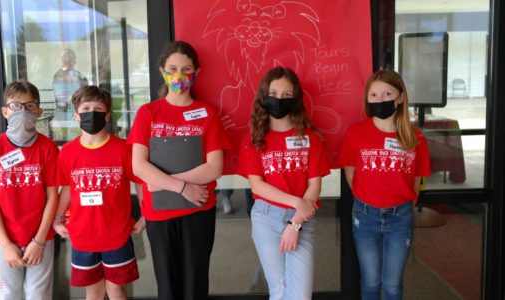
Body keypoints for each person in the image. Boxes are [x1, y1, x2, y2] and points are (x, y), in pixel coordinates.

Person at [128, 40, 230, 300]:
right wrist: (181, 187)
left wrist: (162, 181)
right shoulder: (148, 112)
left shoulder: (207, 113)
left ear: (196, 73)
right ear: (162, 71)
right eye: (172, 68)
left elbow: (215, 167)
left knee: (195, 284)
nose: (180, 75)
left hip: (198, 210)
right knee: (168, 286)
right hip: (159, 214)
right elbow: (138, 165)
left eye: (186, 69)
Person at [238, 66, 330, 299]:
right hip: (266, 217)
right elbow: (257, 186)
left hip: (302, 220)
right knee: (279, 289)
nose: (279, 100)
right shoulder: (254, 138)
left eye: (286, 96)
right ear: (264, 97)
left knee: (300, 296)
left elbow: (315, 187)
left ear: (295, 99)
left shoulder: (311, 138)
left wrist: (295, 222)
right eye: (274, 94)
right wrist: (297, 202)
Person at [339, 69, 431, 300]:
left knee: (392, 285)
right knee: (370, 281)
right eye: (374, 95)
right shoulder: (356, 133)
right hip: (365, 214)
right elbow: (350, 172)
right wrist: (366, 196)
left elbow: (418, 177)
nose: (380, 100)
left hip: (400, 217)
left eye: (387, 93)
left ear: (400, 97)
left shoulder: (415, 137)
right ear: (367, 99)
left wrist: (405, 200)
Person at [53, 86, 144, 300]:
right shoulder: (67, 152)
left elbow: (140, 181)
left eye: (97, 108)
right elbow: (66, 188)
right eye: (85, 108)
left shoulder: (123, 148)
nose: (91, 112)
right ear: (76, 115)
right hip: (83, 235)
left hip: (117, 234)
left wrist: (146, 213)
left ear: (107, 114)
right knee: (93, 292)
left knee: (116, 291)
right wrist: (57, 219)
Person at [0, 81, 58, 299]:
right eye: (15, 106)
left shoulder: (48, 149)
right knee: (8, 294)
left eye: (29, 106)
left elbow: (52, 197)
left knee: (38, 295)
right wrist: (6, 243)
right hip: (5, 239)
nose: (22, 112)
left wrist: (39, 241)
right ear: (4, 111)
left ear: (38, 112)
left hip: (41, 238)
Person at [52, 48, 88, 141]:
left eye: (69, 57)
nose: (66, 59)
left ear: (74, 59)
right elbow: (58, 94)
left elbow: (86, 91)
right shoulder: (57, 76)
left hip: (77, 109)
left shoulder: (79, 75)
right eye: (64, 57)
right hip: (62, 111)